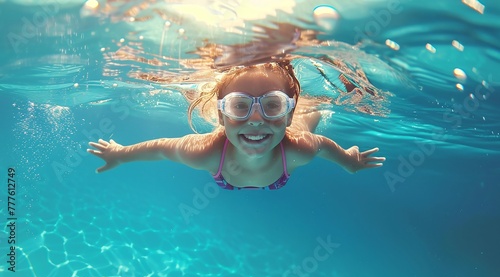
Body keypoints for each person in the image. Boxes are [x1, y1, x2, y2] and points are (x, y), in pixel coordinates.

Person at [87, 60, 385, 190]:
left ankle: (307, 111)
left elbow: (322, 145)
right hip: (247, 172)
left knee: (311, 122)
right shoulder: (206, 152)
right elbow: (163, 148)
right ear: (220, 116)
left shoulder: (298, 146)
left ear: (288, 113)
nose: (256, 119)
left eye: (273, 105)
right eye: (239, 106)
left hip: (285, 152)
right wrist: (120, 153)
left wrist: (349, 160)